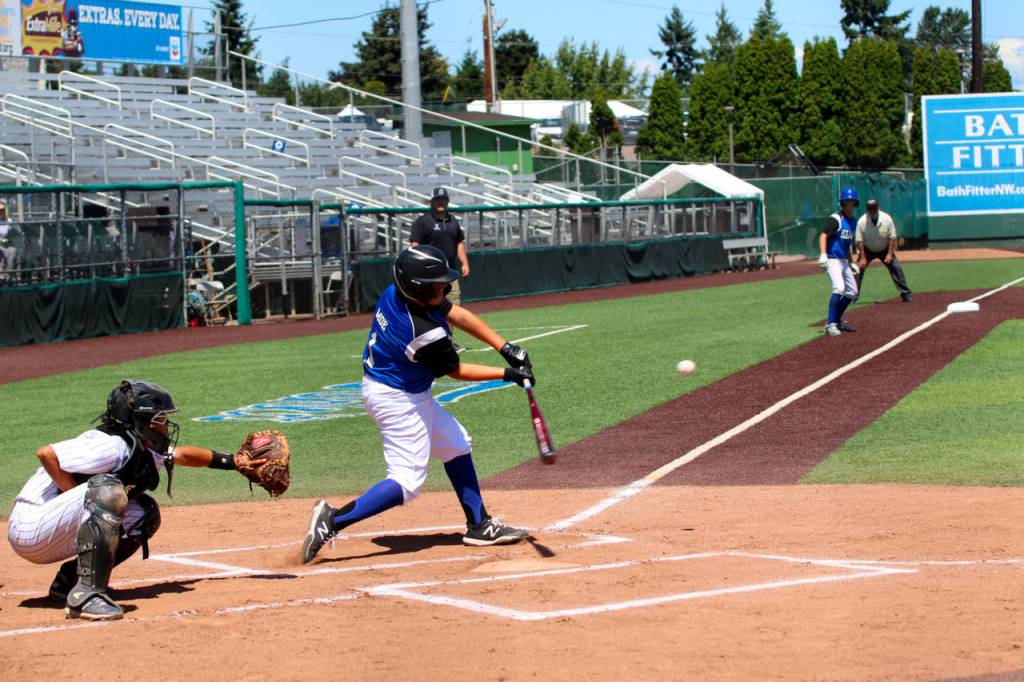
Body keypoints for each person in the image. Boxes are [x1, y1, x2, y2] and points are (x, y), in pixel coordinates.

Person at [300, 245, 534, 564]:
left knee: (456, 443)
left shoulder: (396, 293)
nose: (445, 289)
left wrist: (505, 347)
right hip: (397, 400)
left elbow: (456, 313)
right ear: (419, 289)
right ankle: (331, 521)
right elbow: (456, 370)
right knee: (407, 482)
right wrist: (508, 373)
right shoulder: (422, 331)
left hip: (399, 390)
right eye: (438, 285)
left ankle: (479, 525)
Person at [7, 380, 253, 621]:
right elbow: (47, 453)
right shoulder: (110, 446)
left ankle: (71, 581)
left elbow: (183, 455)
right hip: (32, 526)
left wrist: (234, 463)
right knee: (108, 490)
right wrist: (83, 499)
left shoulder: (138, 447)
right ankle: (87, 597)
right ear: (141, 420)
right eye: (161, 419)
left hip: (55, 530)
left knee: (144, 512)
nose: (167, 426)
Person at [409, 187, 469, 305]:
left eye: (443, 199)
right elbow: (415, 245)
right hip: (430, 274)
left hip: (450, 271)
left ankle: (448, 325)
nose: (441, 202)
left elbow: (459, 243)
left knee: (454, 305)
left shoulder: (453, 220)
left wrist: (465, 263)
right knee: (430, 306)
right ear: (432, 201)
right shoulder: (423, 221)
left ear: (448, 201)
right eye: (437, 199)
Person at [818, 188, 860, 336]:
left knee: (852, 291)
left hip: (843, 260)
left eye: (852, 201)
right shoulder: (836, 219)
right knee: (839, 288)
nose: (850, 204)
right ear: (843, 203)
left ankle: (836, 320)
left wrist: (851, 262)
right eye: (847, 201)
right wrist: (823, 255)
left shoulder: (853, 221)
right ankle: (830, 324)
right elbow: (823, 236)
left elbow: (847, 244)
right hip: (832, 259)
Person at [855, 199, 912, 303]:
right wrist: (862, 257)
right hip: (867, 250)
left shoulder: (886, 219)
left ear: (878, 208)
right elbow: (859, 241)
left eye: (874, 208)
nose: (872, 211)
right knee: (857, 269)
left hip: (885, 249)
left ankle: (906, 293)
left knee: (896, 268)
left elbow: (892, 237)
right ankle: (852, 296)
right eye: (870, 209)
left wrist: (890, 254)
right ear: (867, 210)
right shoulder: (862, 221)